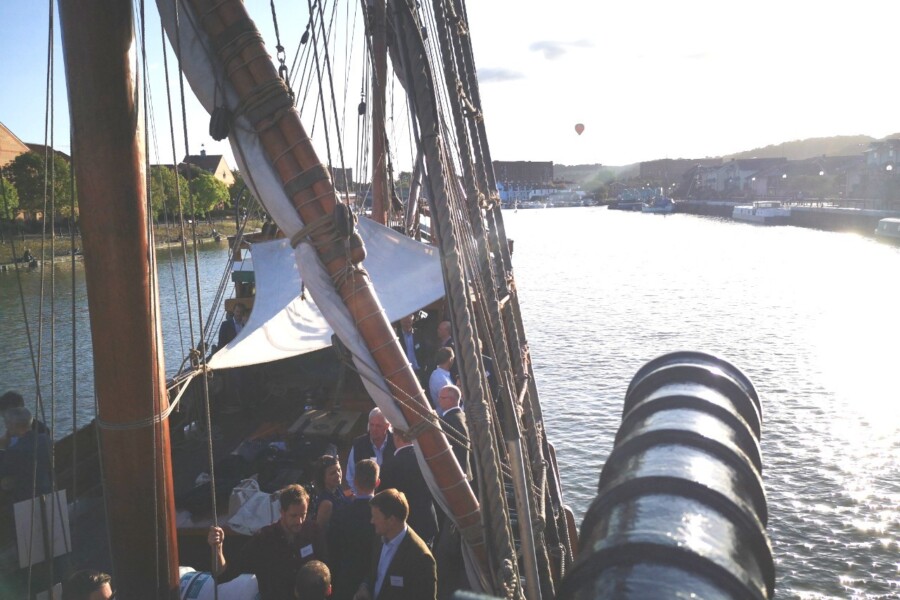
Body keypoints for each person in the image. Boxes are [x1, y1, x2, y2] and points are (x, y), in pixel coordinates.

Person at [208, 484, 325, 600]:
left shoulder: (313, 532)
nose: (299, 521)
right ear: (282, 512)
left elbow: (325, 570)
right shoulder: (264, 539)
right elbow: (222, 575)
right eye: (293, 516)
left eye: (303, 515)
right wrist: (217, 547)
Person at [353, 489, 436, 600]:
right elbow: (374, 572)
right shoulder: (379, 538)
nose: (372, 521)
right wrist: (364, 587)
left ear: (391, 520)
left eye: (375, 517)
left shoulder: (421, 558)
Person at [328, 459, 379, 600]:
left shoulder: (341, 512)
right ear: (377, 482)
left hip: (344, 580)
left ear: (355, 482)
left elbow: (333, 547)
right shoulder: (382, 516)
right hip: (373, 581)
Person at [378, 429, 438, 547]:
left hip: (402, 529)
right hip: (426, 523)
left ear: (396, 437)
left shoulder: (388, 467)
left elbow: (383, 500)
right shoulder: (427, 460)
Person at [0, 407, 52, 503]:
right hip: (47, 491)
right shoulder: (46, 440)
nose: (6, 427)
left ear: (13, 426)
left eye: (8, 423)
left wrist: (4, 448)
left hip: (24, 499)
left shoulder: (14, 451)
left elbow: (4, 479)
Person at [346, 408, 394, 495]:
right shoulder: (358, 445)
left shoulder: (396, 443)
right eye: (372, 425)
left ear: (387, 426)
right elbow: (350, 475)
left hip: (391, 498)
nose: (374, 429)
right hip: (366, 499)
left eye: (378, 426)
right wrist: (360, 496)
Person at [437, 385, 470, 479]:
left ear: (451, 400)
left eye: (442, 397)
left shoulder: (446, 422)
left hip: (455, 475)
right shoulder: (463, 416)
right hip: (467, 471)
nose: (439, 400)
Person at [311, 454, 352, 530]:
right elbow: (320, 531)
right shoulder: (326, 504)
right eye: (332, 473)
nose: (338, 475)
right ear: (323, 477)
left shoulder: (337, 489)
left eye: (339, 470)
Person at [396, 315, 432, 387]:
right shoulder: (396, 335)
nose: (407, 324)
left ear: (412, 322)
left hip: (418, 370)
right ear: (401, 322)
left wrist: (424, 366)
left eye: (409, 322)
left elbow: (425, 351)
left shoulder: (419, 334)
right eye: (404, 322)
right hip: (403, 371)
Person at [428, 347, 454, 415]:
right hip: (446, 415)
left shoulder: (437, 374)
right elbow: (447, 402)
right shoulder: (441, 379)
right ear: (450, 359)